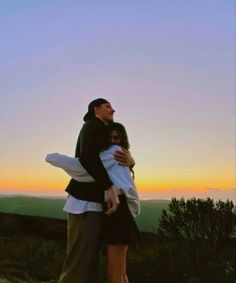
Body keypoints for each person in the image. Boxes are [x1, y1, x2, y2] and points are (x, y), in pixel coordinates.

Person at [51, 99, 134, 283]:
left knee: (87, 259)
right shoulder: (93, 125)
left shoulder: (99, 131)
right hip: (84, 203)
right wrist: (109, 187)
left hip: (90, 203)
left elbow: (107, 160)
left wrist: (131, 161)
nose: (113, 109)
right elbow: (87, 159)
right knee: (80, 259)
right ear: (96, 110)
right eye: (108, 107)